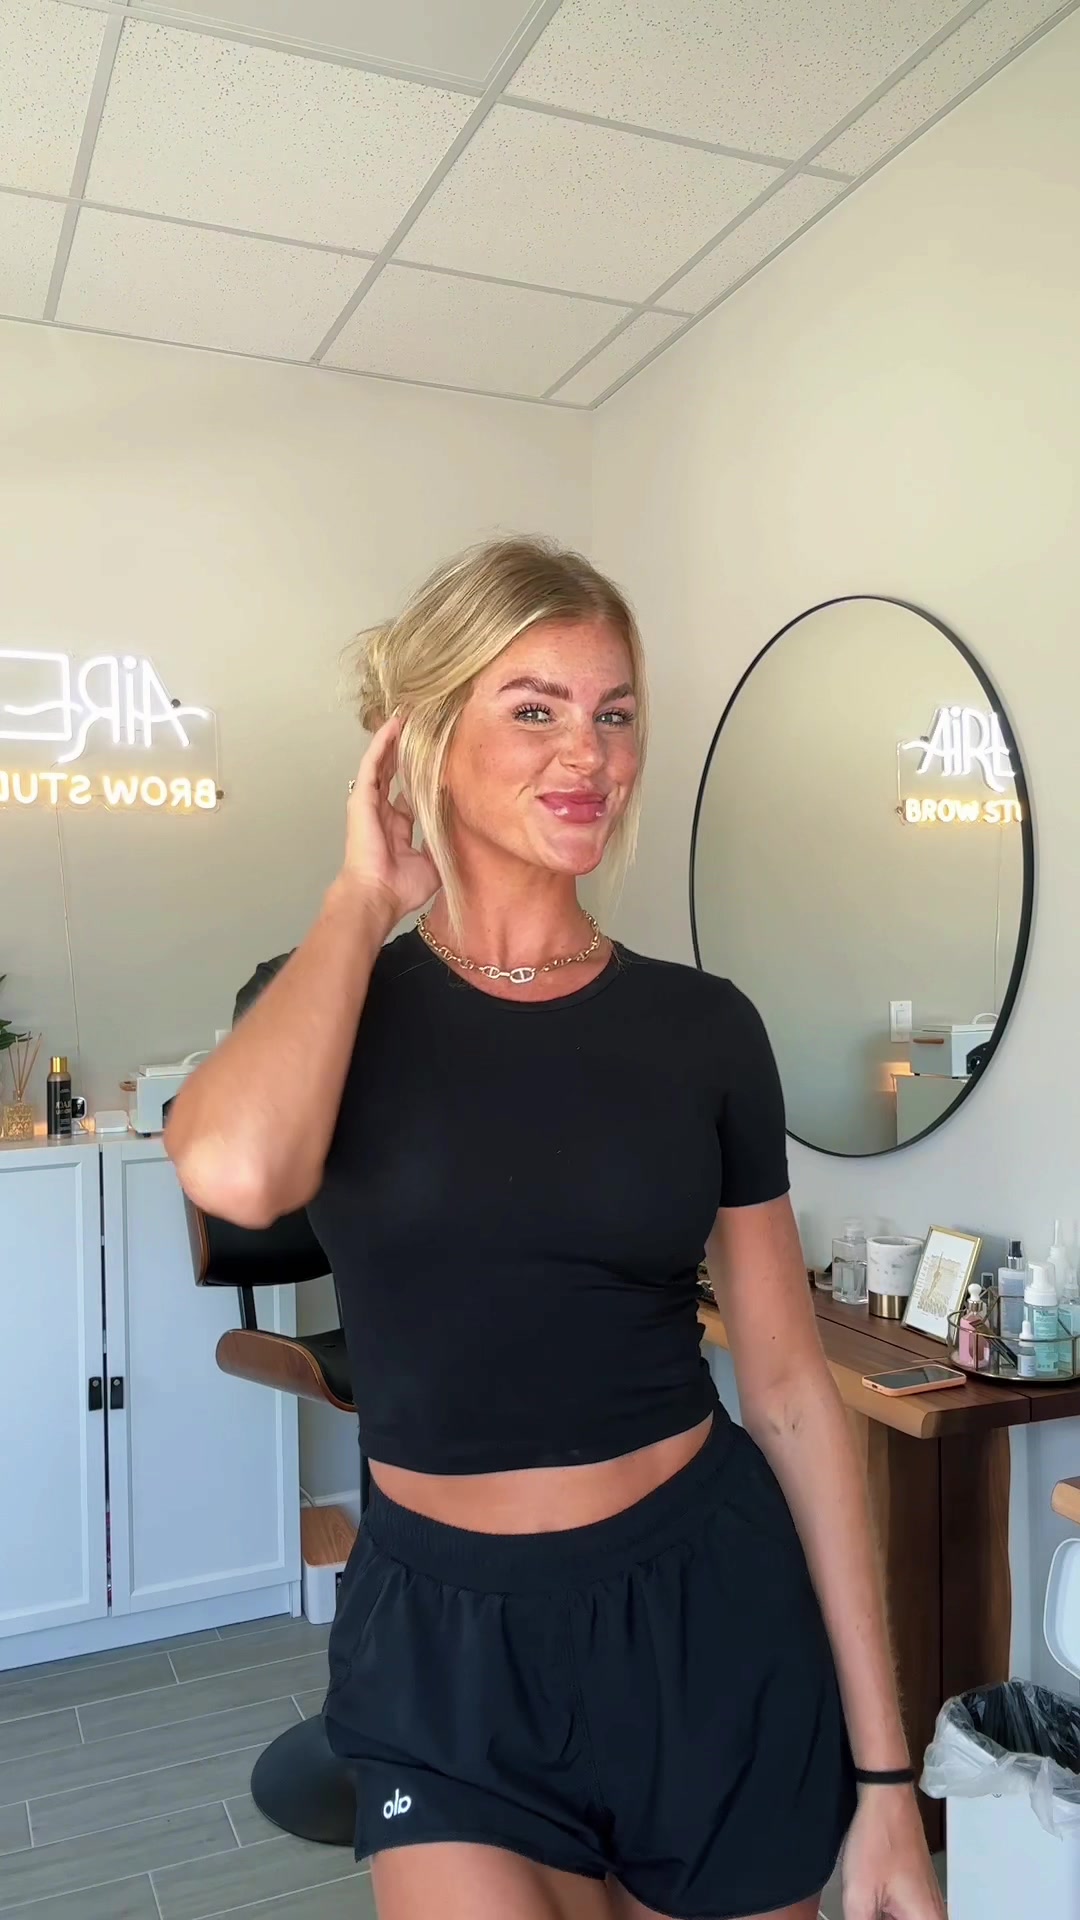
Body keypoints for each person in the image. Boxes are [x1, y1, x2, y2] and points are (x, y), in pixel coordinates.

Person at [166, 538, 945, 1920]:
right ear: (425, 736)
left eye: (614, 712)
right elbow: (233, 1173)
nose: (589, 754)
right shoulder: (329, 997)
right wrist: (364, 898)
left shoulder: (704, 1029)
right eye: (534, 708)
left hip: (707, 1618)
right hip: (442, 1643)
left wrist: (888, 1781)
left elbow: (786, 1394)